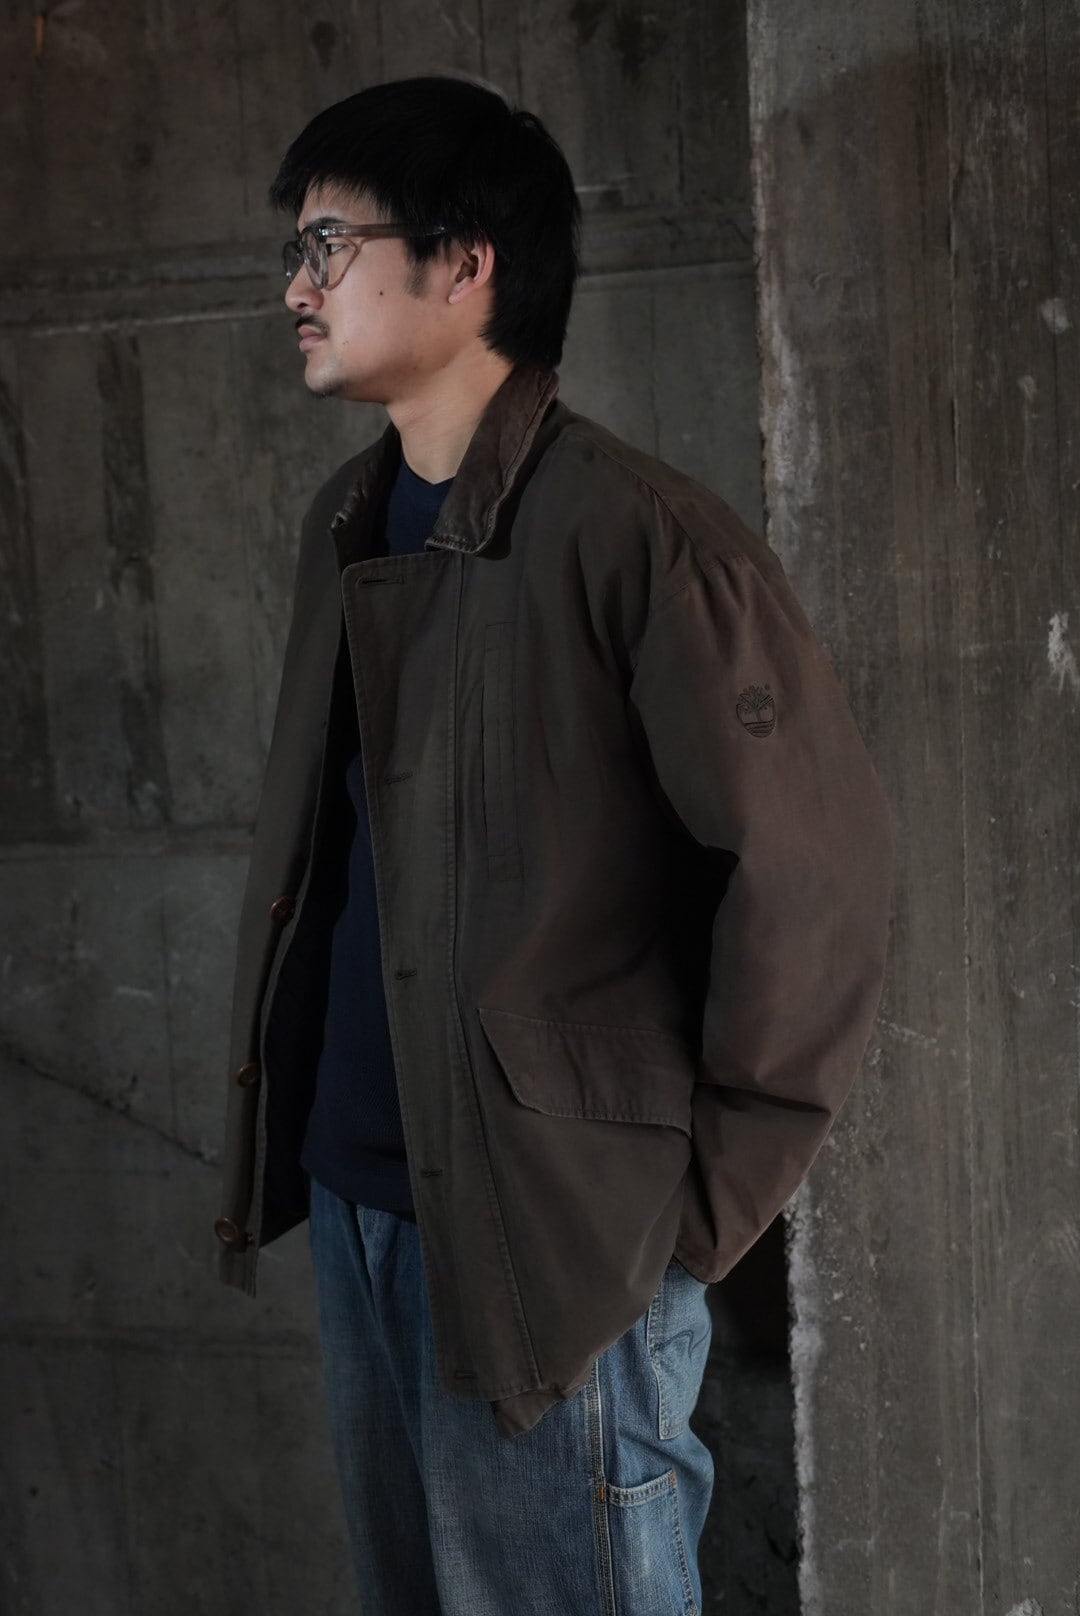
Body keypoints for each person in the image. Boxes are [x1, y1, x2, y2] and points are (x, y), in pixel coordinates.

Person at [214, 72, 893, 1616]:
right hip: (366, 1204)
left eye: (329, 245)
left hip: (553, 1242)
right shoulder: (349, 520)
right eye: (294, 251)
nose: (296, 287)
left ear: (465, 266)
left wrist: (682, 1221)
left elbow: (817, 884)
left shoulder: (638, 538)